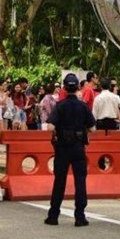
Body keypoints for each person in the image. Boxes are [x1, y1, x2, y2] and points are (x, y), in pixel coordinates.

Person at [44, 73, 96, 227]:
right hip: (78, 147)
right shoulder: (83, 106)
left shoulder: (60, 106)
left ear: (65, 88)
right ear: (77, 88)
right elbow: (93, 128)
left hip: (62, 149)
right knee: (80, 181)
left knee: (59, 181)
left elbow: (50, 127)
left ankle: (53, 215)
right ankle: (80, 216)